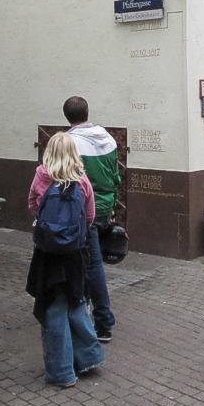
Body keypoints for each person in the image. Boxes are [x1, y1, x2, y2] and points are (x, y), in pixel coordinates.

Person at [26, 132, 104, 387]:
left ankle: (62, 373)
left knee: (54, 307)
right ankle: (88, 358)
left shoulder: (41, 175)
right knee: (77, 300)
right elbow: (90, 215)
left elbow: (32, 206)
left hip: (48, 255)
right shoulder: (81, 179)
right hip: (75, 254)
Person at [63, 96, 121, 343]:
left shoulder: (70, 143)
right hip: (106, 205)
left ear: (66, 117)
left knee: (92, 265)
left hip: (84, 209)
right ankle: (83, 308)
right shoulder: (106, 137)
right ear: (87, 112)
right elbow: (115, 175)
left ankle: (103, 321)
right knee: (88, 260)